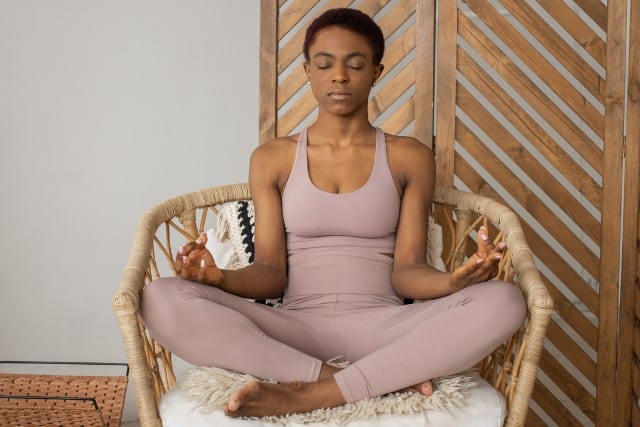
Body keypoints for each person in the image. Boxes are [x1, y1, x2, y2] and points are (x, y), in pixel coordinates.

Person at [140, 7, 526, 418]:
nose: (339, 76)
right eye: (325, 64)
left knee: (505, 300)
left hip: (385, 329)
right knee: (159, 297)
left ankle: (310, 395)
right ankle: (354, 377)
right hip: (294, 332)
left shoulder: (409, 157)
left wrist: (455, 281)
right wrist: (218, 278)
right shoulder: (272, 158)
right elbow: (272, 272)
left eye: (355, 64)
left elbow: (407, 272)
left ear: (377, 72)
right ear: (308, 71)